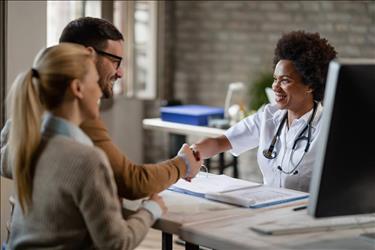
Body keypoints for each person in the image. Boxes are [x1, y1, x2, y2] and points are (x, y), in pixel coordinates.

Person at [0, 43, 167, 249]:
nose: (99, 91)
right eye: (95, 82)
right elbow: (116, 243)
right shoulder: (87, 160)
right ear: (77, 88)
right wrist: (151, 209)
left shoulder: (25, 144)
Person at [57, 17, 202, 199]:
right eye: (115, 61)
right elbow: (132, 182)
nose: (121, 72)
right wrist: (183, 164)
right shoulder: (76, 110)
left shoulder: (41, 101)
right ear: (90, 56)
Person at [192, 31, 337, 192]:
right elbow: (220, 142)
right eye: (276, 79)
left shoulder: (327, 127)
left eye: (285, 80)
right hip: (268, 208)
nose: (275, 86)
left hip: (302, 214)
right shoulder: (269, 116)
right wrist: (193, 153)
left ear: (310, 85)